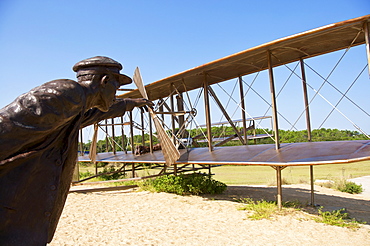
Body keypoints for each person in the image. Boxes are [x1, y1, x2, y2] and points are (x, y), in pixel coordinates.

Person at [0, 56, 153, 245]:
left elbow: (94, 115)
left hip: (20, 213)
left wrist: (130, 103)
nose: (116, 94)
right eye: (116, 87)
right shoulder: (67, 93)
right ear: (104, 81)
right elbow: (6, 125)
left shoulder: (75, 105)